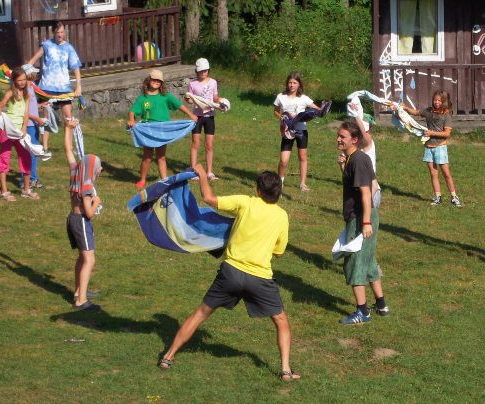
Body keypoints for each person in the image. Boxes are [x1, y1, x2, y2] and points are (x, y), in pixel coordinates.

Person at [158, 165, 300, 381]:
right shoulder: (282, 216)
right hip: (260, 278)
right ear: (278, 193)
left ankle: (168, 357)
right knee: (281, 320)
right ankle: (286, 371)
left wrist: (202, 174)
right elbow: (279, 252)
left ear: (258, 190)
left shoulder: (245, 202)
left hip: (231, 272)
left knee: (201, 313)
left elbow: (209, 198)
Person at [335, 121, 388, 325]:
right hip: (362, 217)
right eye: (338, 135)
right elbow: (364, 186)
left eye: (343, 137)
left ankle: (362, 312)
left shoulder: (357, 160)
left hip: (360, 218)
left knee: (354, 262)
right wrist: (342, 166)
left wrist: (365, 222)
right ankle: (381, 305)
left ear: (355, 140)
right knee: (368, 261)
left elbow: (367, 193)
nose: (338, 139)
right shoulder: (356, 158)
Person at [127, 69, 197, 189]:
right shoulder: (142, 98)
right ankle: (142, 180)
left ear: (162, 83)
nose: (156, 82)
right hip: (148, 130)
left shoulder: (166, 96)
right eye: (154, 80)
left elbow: (179, 105)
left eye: (159, 81)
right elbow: (132, 111)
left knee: (161, 156)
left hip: (162, 131)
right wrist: (131, 120)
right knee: (147, 157)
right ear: (148, 81)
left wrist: (191, 115)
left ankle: (164, 180)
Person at [27, 21, 82, 164]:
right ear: (53, 33)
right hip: (47, 88)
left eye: (62, 32)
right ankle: (44, 147)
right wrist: (23, 71)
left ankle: (69, 147)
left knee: (68, 117)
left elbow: (76, 68)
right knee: (46, 118)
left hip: (64, 88)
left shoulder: (69, 48)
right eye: (58, 32)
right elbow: (33, 60)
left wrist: (78, 87)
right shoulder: (46, 45)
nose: (60, 35)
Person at [400, 90, 462, 207]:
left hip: (440, 147)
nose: (437, 102)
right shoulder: (428, 111)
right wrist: (406, 108)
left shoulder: (446, 115)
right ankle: (438, 197)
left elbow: (447, 134)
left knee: (446, 174)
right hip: (428, 147)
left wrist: (431, 133)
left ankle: (454, 197)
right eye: (435, 100)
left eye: (439, 100)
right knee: (433, 174)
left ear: (443, 102)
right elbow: (416, 112)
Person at [0, 66, 39, 201]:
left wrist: (24, 128)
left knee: (26, 157)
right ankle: (4, 191)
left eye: (24, 79)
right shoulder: (10, 92)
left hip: (20, 131)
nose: (22, 82)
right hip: (7, 130)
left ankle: (26, 189)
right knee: (4, 158)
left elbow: (26, 113)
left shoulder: (27, 94)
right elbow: (0, 106)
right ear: (14, 81)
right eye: (19, 80)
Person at [273, 71, 324, 191]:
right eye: (290, 82)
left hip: (301, 131)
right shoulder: (281, 97)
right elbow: (275, 110)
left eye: (294, 83)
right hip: (287, 132)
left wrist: (322, 109)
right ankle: (280, 182)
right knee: (283, 160)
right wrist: (281, 117)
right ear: (287, 83)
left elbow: (318, 110)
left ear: (299, 84)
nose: (292, 85)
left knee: (302, 157)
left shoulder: (304, 98)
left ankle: (303, 184)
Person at [67, 152, 102, 311]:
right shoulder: (87, 186)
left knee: (82, 258)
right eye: (98, 167)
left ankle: (78, 292)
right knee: (89, 260)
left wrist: (68, 135)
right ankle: (81, 301)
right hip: (81, 221)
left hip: (72, 219)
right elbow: (89, 213)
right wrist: (96, 202)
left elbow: (69, 152)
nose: (100, 169)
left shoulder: (75, 173)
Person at [185, 58, 220, 180]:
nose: (203, 73)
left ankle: (209, 172)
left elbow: (215, 97)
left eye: (205, 70)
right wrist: (188, 99)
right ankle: (193, 170)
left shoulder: (213, 82)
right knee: (195, 143)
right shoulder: (192, 84)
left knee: (209, 145)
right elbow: (190, 99)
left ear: (208, 70)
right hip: (197, 117)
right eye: (200, 71)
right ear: (196, 71)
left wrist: (220, 101)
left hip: (209, 116)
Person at [20, 63, 48, 189]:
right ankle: (27, 180)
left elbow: (31, 106)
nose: (36, 74)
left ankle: (33, 178)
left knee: (34, 152)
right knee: (30, 153)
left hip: (34, 123)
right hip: (29, 124)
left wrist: (41, 105)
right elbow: (24, 111)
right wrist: (36, 118)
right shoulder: (25, 89)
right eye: (34, 72)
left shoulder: (31, 86)